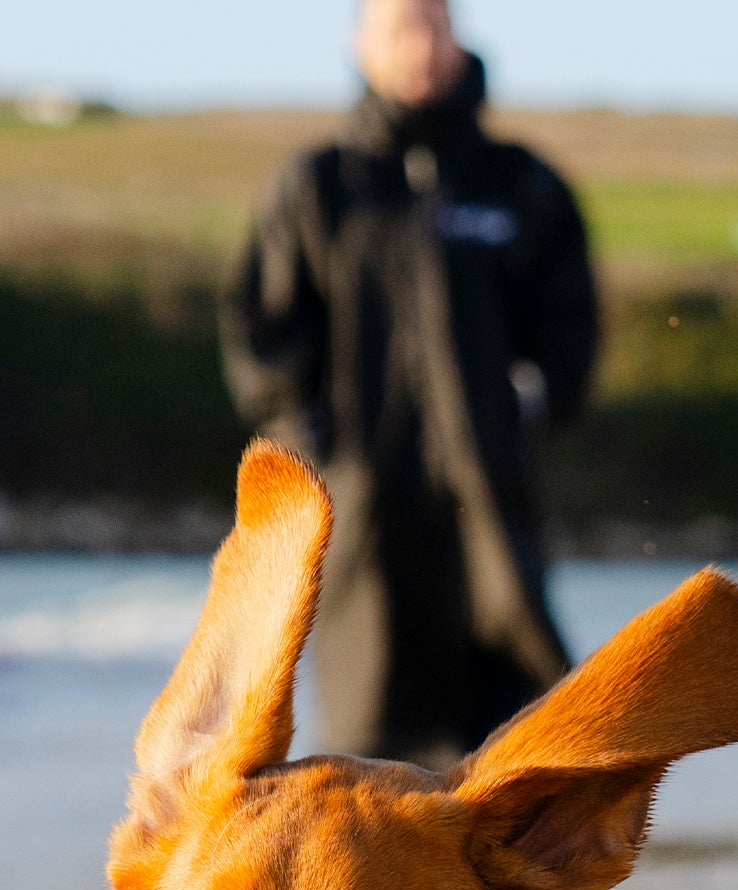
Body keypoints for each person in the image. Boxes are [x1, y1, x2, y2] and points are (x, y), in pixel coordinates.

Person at [223, 0, 598, 765]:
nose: (421, 46)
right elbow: (263, 326)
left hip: (488, 500)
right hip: (365, 509)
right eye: (400, 29)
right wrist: (311, 433)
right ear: (362, 46)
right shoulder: (317, 186)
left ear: (457, 37)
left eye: (435, 24)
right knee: (371, 742)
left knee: (529, 735)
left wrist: (530, 405)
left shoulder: (519, 182)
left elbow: (570, 322)